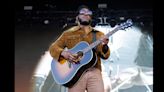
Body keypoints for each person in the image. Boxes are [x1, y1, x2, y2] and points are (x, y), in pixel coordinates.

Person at [49, 5, 111, 92]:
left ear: (90, 17)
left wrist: (104, 46)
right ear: (77, 16)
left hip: (94, 71)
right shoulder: (68, 34)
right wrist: (63, 53)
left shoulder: (98, 34)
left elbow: (105, 56)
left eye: (88, 13)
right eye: (82, 13)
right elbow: (53, 48)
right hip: (75, 74)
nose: (86, 14)